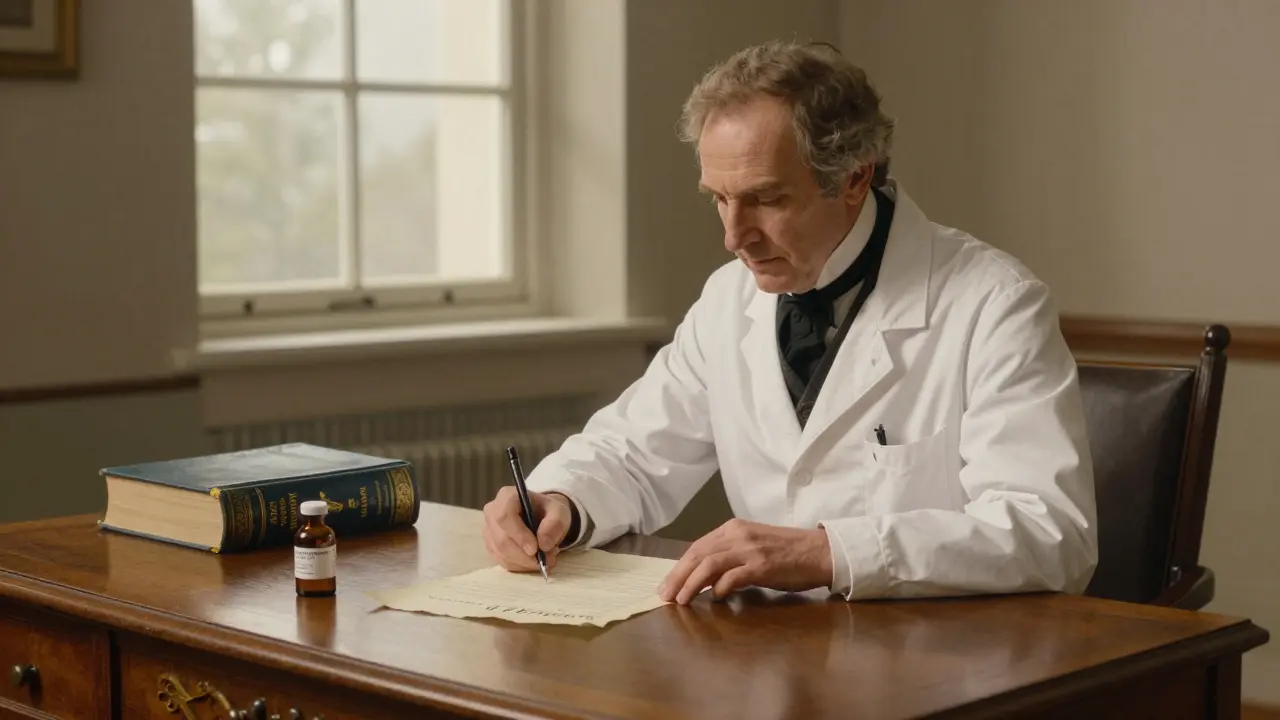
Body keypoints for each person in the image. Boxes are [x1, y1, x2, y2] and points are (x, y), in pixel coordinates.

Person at [482, 40, 1098, 603]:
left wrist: (829, 552)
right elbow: (633, 452)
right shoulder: (729, 300)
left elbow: (1050, 533)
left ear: (855, 177)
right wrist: (558, 498)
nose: (732, 236)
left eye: (767, 199)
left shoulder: (995, 303)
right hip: (765, 657)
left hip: (937, 662)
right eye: (719, 198)